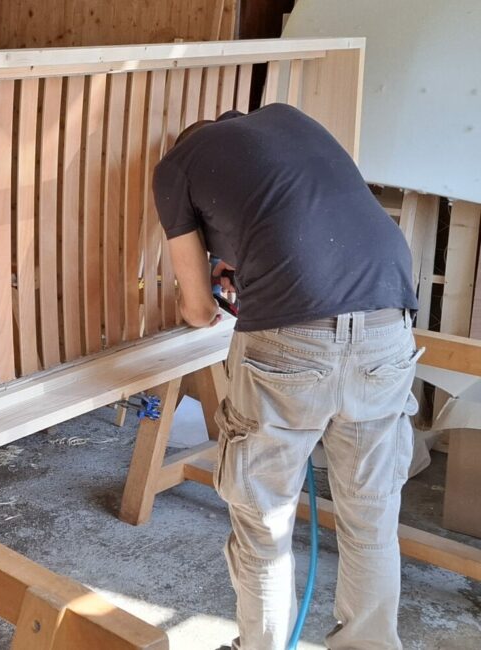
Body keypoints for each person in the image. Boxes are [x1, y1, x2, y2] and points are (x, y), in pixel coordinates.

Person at [154, 103, 420, 650]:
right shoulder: (289, 119)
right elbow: (296, 220)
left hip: (290, 342)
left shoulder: (174, 166)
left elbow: (200, 312)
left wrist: (204, 281)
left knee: (264, 521)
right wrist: (243, 262)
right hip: (388, 324)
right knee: (371, 518)